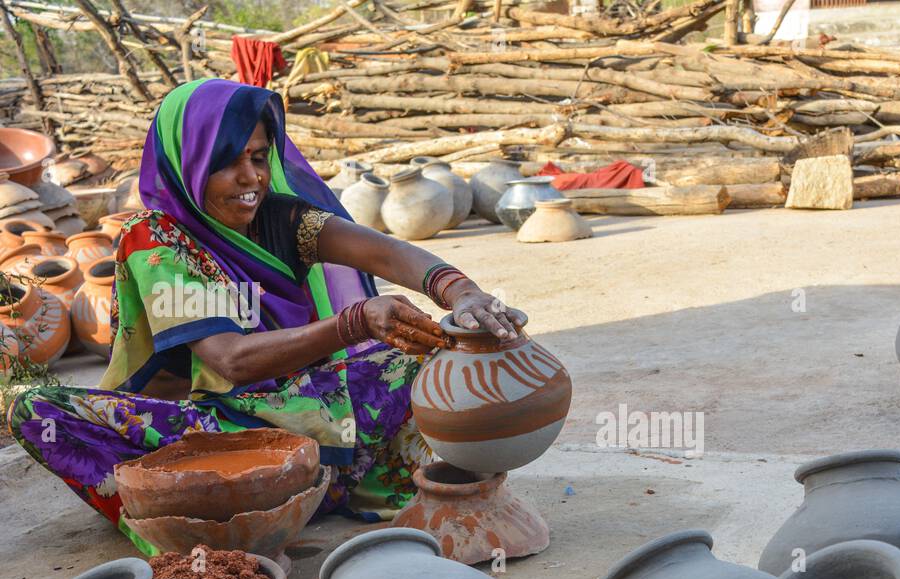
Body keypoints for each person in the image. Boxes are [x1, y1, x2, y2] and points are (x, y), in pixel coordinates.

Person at [6, 78, 527, 554]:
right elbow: (229, 361)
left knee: (425, 352)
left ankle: (306, 493)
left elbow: (387, 254)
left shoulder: (280, 217)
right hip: (211, 435)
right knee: (36, 410)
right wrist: (356, 322)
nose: (250, 176)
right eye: (227, 161)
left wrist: (462, 292)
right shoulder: (156, 237)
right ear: (186, 162)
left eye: (259, 156)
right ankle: (179, 523)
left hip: (310, 426)